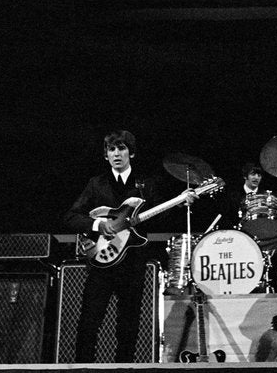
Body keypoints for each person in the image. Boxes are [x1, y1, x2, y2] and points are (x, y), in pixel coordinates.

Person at [62, 130, 195, 363]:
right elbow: (71, 216)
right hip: (102, 263)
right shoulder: (96, 184)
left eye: (121, 148)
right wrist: (98, 224)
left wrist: (179, 203)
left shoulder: (146, 184)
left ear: (131, 153)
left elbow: (159, 218)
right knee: (89, 322)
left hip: (133, 262)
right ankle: (84, 368)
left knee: (128, 325)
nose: (116, 153)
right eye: (111, 149)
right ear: (106, 155)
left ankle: (124, 368)